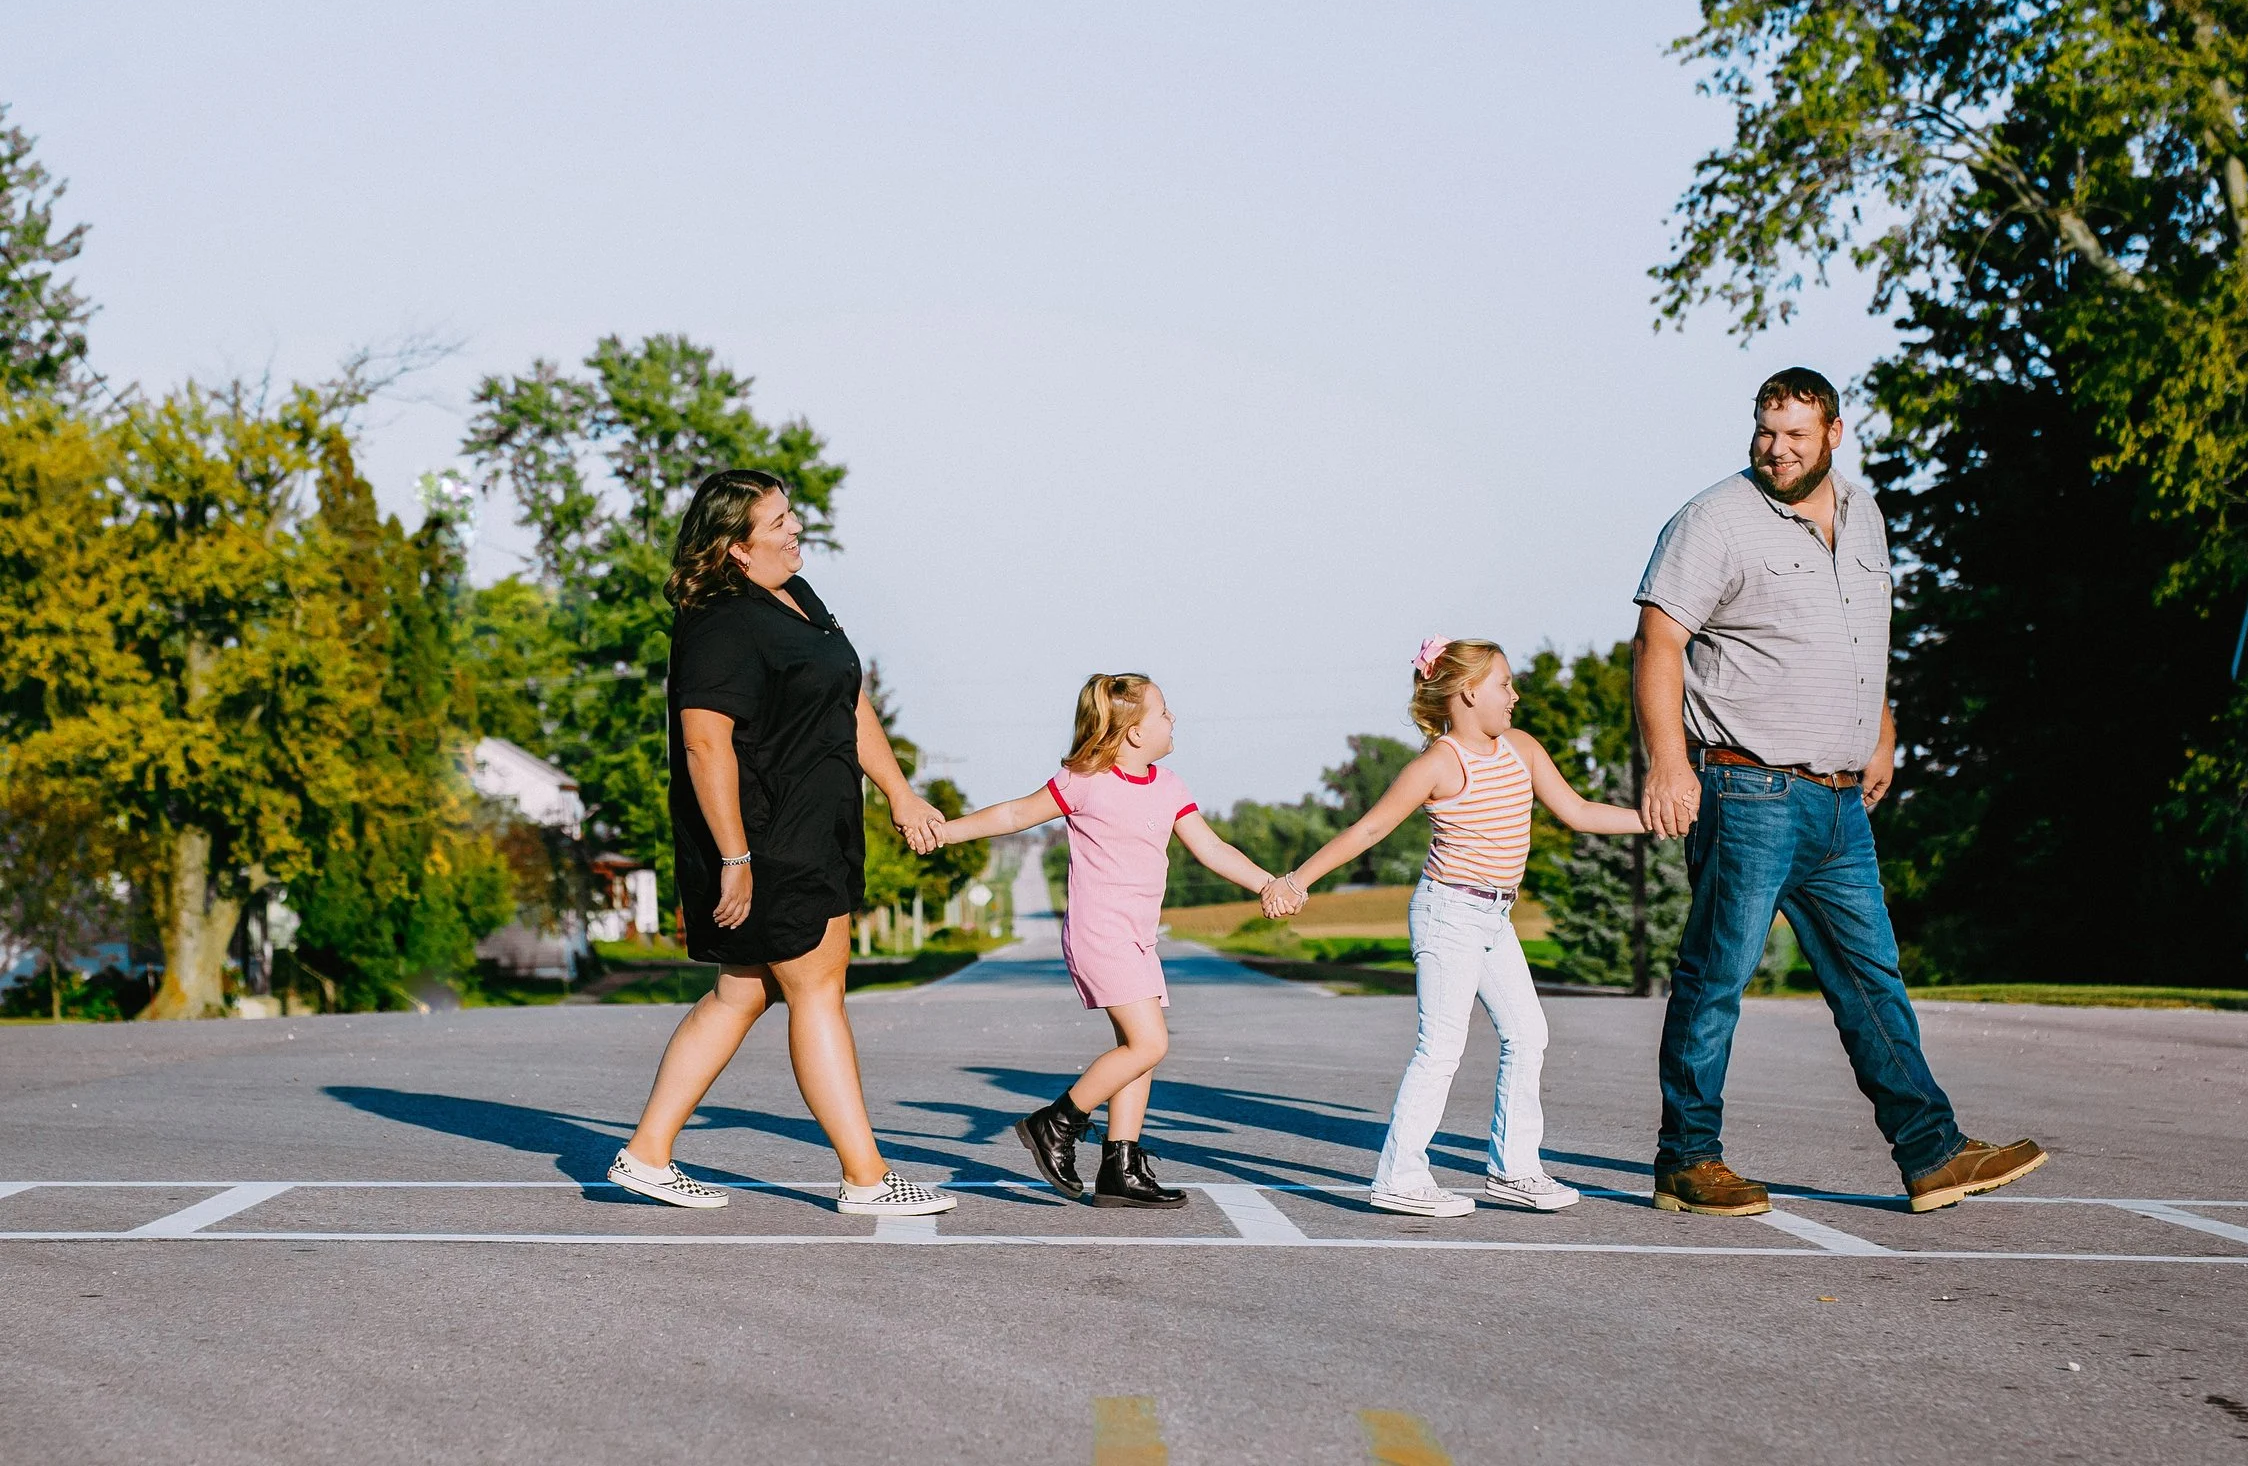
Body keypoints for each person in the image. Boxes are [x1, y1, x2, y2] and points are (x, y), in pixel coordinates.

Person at [1633, 369, 2046, 1216]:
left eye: (1793, 434)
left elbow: (1864, 634)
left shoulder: (1865, 517)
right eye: (1763, 431)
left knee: (1873, 980)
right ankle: (1687, 1159)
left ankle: (1931, 1153)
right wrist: (1668, 763)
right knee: (1717, 977)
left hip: (1838, 803)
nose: (1775, 449)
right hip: (1748, 790)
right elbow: (1657, 643)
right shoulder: (1713, 521)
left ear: (1834, 434)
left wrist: (1881, 728)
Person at [607, 469, 958, 1217]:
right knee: (817, 988)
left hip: (818, 825)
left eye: (792, 514)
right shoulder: (718, 621)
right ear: (737, 546)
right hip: (768, 836)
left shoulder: (797, 598)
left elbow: (848, 698)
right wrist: (735, 859)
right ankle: (866, 1177)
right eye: (779, 521)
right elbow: (705, 747)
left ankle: (645, 1154)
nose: (797, 529)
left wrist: (899, 792)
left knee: (744, 990)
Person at [1266, 639, 1646, 1218]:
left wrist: (1656, 820)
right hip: (1449, 914)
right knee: (1440, 1047)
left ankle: (1515, 1171)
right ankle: (1399, 1177)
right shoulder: (1440, 763)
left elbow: (1578, 812)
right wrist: (1297, 880)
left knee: (1529, 1034)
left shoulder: (1520, 748)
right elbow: (1369, 831)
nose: (1515, 695)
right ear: (1468, 692)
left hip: (1495, 916)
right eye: (1504, 684)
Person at [936, 672, 1279, 1207]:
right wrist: (945, 830)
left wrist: (1266, 883)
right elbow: (1015, 814)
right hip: (1100, 934)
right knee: (1150, 1043)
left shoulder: (1169, 787)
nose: (1172, 720)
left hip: (1139, 937)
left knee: (1138, 1051)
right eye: (1163, 712)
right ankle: (1057, 1122)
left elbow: (1211, 850)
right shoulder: (1084, 781)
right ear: (1135, 733)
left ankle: (1120, 1166)